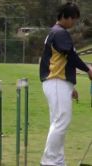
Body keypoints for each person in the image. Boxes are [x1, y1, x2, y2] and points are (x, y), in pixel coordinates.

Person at [39, 2, 92, 166]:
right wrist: (88, 69)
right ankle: (49, 161)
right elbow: (71, 56)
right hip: (55, 81)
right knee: (61, 121)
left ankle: (58, 160)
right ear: (65, 17)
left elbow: (63, 61)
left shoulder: (57, 32)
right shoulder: (59, 33)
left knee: (58, 122)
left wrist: (71, 85)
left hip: (60, 82)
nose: (74, 23)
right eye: (73, 19)